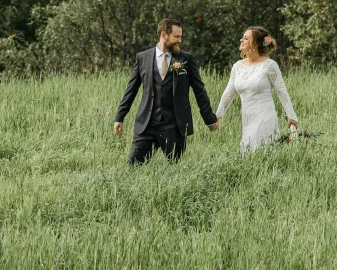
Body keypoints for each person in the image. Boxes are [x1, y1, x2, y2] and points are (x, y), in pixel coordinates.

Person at [114, 18, 219, 165]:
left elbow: (199, 91)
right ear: (164, 35)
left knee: (176, 170)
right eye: (176, 36)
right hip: (146, 125)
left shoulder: (186, 59)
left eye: (181, 36)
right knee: (133, 167)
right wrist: (120, 117)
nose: (180, 40)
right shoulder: (142, 57)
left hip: (174, 125)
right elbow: (130, 90)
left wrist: (210, 119)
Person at [216, 26, 298, 152]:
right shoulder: (237, 67)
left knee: (260, 153)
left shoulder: (270, 65)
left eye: (245, 38)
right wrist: (217, 116)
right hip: (247, 119)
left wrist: (291, 116)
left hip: (265, 117)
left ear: (254, 44)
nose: (241, 40)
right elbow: (228, 94)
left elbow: (282, 92)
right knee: (247, 153)